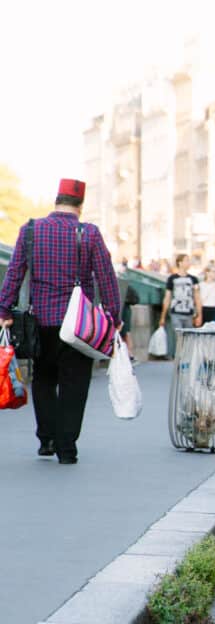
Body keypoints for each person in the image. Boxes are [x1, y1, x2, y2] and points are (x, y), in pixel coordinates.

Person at [0, 178, 121, 464]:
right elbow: (106, 277)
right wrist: (114, 316)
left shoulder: (30, 230)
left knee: (43, 378)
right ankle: (66, 447)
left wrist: (4, 309)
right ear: (80, 205)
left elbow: (14, 273)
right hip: (80, 325)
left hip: (40, 321)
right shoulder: (89, 233)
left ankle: (46, 438)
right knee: (75, 384)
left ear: (56, 200)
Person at [161, 259, 202, 358]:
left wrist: (199, 314)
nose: (188, 263)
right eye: (186, 260)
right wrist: (163, 315)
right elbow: (167, 297)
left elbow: (197, 297)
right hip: (176, 311)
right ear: (180, 263)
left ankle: (186, 356)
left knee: (188, 336)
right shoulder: (172, 278)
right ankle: (179, 356)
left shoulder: (193, 279)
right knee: (178, 335)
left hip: (189, 312)